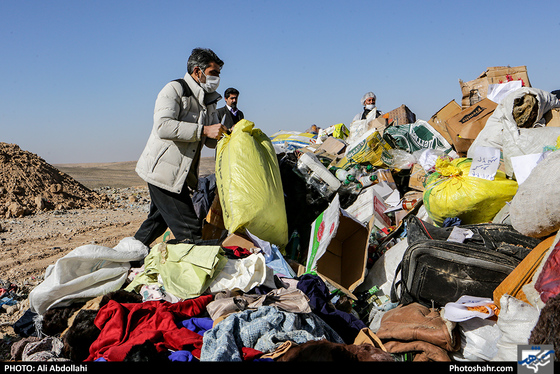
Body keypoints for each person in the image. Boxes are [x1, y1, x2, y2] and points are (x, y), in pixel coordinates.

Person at [134, 48, 228, 247]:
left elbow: (210, 139)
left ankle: (125, 259)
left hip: (179, 175)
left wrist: (226, 135)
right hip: (163, 173)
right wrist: (204, 130)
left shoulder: (209, 99)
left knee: (156, 224)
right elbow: (163, 126)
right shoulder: (175, 90)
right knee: (191, 233)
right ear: (197, 71)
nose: (217, 78)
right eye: (214, 73)